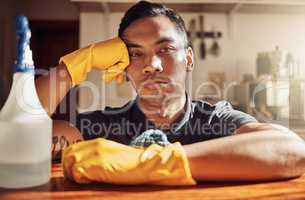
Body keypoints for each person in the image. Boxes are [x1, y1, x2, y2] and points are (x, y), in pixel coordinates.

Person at [36, 1, 305, 184]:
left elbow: (293, 150)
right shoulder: (104, 127)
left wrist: (145, 163)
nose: (152, 65)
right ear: (122, 67)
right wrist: (76, 65)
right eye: (135, 54)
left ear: (189, 58)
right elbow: (15, 141)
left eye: (164, 49)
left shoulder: (215, 120)